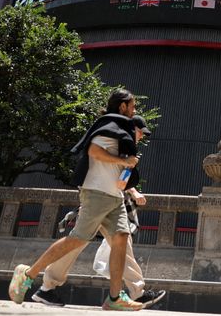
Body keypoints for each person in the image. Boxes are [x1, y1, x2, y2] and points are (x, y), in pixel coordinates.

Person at [8, 89, 148, 310]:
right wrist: (125, 162)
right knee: (78, 239)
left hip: (113, 195)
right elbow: (94, 151)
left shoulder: (120, 127)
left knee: (121, 238)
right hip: (97, 192)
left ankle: (114, 298)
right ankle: (27, 273)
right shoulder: (110, 125)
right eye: (132, 106)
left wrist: (127, 165)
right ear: (122, 106)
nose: (134, 110)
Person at [31, 115, 165, 309]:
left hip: (110, 202)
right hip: (99, 201)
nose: (141, 137)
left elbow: (119, 178)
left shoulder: (126, 149)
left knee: (112, 243)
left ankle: (46, 287)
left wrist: (133, 191)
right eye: (139, 132)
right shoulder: (114, 143)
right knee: (78, 242)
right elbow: (103, 170)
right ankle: (41, 283)